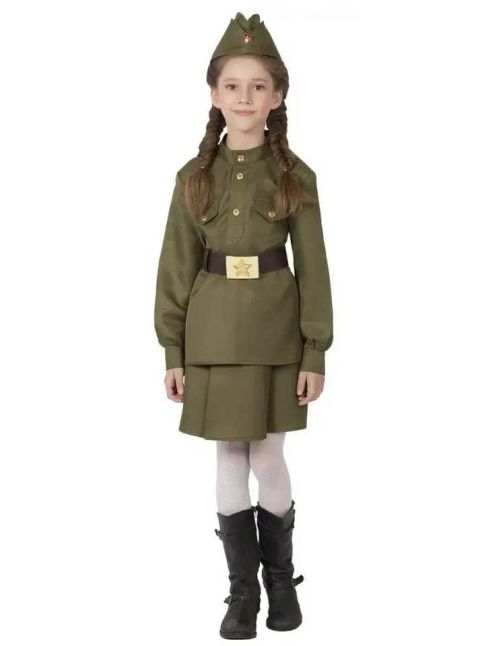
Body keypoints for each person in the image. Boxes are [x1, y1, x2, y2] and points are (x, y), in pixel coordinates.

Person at [153, 12, 334, 639]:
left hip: (277, 331)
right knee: (229, 453)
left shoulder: (295, 177)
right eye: (232, 85)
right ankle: (242, 594)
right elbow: (175, 266)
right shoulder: (192, 178)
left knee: (268, 453)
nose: (244, 97)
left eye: (258, 86)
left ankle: (280, 580)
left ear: (277, 96)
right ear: (214, 94)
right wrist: (172, 348)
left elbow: (314, 267)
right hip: (211, 332)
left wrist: (315, 350)